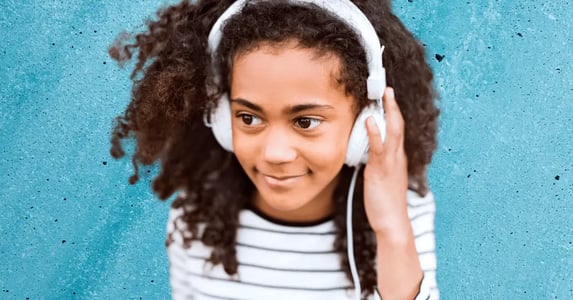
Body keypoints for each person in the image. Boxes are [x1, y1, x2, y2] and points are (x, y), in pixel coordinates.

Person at [108, 0, 440, 299]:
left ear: (365, 124)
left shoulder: (404, 213)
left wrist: (391, 229)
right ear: (220, 118)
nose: (275, 153)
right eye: (249, 117)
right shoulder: (195, 219)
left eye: (306, 122)